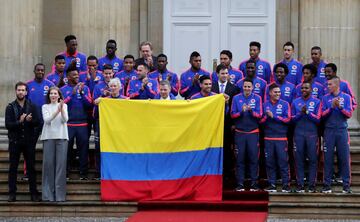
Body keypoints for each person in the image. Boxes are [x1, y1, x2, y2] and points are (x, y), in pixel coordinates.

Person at [5, 82, 40, 202]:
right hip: (15, 142)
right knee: (13, 168)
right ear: (16, 91)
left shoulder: (32, 106)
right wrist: (19, 121)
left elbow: (38, 122)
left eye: (23, 90)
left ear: (26, 92)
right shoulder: (10, 106)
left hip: (28, 142)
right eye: (19, 90)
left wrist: (30, 121)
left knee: (31, 168)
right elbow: (8, 125)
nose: (21, 92)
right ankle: (12, 193)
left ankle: (34, 193)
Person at [60, 63, 92, 180]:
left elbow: (89, 104)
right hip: (68, 124)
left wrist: (81, 93)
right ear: (68, 77)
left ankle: (83, 173)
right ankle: (66, 173)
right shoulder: (62, 90)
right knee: (66, 150)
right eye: (74, 75)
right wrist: (72, 95)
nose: (77, 76)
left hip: (82, 124)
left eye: (78, 74)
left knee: (83, 149)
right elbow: (60, 105)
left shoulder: (85, 88)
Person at [321, 76, 353, 193]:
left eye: (330, 84)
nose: (327, 86)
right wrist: (331, 107)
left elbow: (349, 114)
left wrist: (340, 107)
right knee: (328, 159)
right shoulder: (325, 98)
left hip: (341, 131)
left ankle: (346, 186)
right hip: (329, 131)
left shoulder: (346, 97)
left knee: (344, 158)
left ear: (336, 85)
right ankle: (327, 185)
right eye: (327, 84)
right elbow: (322, 116)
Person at [231, 78, 263, 191]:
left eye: (249, 87)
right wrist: (241, 112)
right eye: (245, 86)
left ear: (252, 88)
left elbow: (260, 115)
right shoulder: (236, 98)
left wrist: (251, 111)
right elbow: (232, 115)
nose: (247, 89)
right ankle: (240, 184)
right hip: (240, 133)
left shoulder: (257, 98)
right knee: (239, 159)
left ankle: (254, 183)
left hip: (253, 133)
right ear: (242, 87)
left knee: (254, 159)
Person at [93, 78, 128, 179]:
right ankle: (99, 172)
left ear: (120, 88)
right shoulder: (104, 100)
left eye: (115, 86)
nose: (113, 88)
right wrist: (99, 101)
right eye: (111, 86)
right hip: (105, 129)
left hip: (119, 131)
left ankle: (119, 172)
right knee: (99, 149)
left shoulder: (125, 100)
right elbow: (95, 114)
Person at [212, 64, 239, 186]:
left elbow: (236, 106)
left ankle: (227, 175)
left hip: (228, 124)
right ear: (217, 74)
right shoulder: (211, 87)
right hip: (213, 124)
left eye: (226, 73)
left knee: (228, 149)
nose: (224, 75)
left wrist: (233, 123)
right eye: (222, 73)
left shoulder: (233, 88)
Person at [291, 82, 321, 193]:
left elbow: (318, 119)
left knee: (313, 160)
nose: (304, 89)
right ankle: (300, 185)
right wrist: (300, 114)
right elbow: (292, 119)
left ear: (311, 90)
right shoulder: (295, 102)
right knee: (299, 160)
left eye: (306, 88)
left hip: (312, 135)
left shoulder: (317, 102)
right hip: (298, 135)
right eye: (302, 88)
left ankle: (312, 185)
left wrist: (307, 112)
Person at [261, 83, 291, 193]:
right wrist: (266, 117)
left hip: (281, 138)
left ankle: (286, 185)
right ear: (270, 93)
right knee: (270, 162)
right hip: (268, 138)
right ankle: (272, 184)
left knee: (283, 162)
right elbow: (260, 121)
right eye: (275, 92)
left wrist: (275, 117)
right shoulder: (265, 105)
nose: (278, 94)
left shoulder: (285, 104)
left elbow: (288, 119)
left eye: (279, 92)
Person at [40, 87, 68, 201]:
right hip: (48, 137)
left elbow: (65, 120)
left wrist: (61, 109)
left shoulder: (64, 106)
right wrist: (57, 110)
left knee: (60, 167)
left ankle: (60, 196)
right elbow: (47, 120)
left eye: (55, 93)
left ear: (59, 95)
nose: (53, 95)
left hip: (61, 136)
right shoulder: (45, 107)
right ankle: (48, 195)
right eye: (51, 93)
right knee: (48, 166)